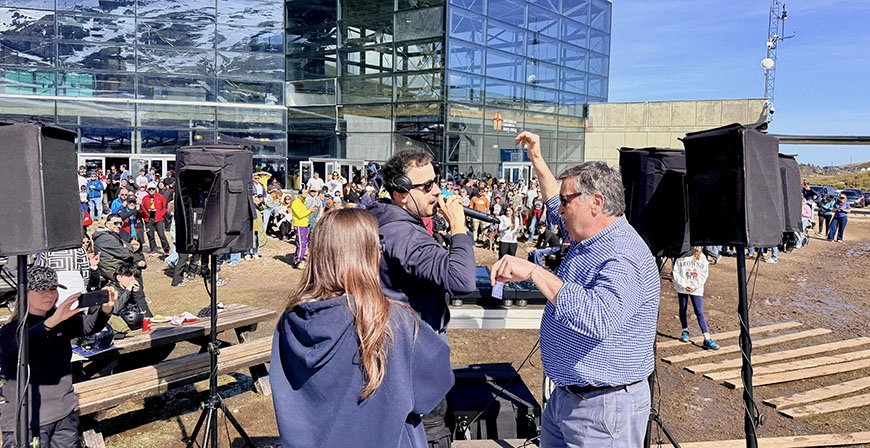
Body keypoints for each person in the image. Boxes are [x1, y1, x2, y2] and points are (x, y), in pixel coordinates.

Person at [490, 132, 659, 448]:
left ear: (596, 203)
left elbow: (598, 318)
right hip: (570, 398)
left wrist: (535, 272)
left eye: (569, 202)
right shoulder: (589, 234)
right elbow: (556, 200)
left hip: (603, 408)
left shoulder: (623, 254)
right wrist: (537, 159)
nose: (559, 211)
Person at [270, 208, 453, 448]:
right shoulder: (392, 321)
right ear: (367, 253)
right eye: (378, 243)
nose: (381, 251)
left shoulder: (290, 321)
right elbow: (434, 387)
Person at [367, 147, 476, 447]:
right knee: (431, 434)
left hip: (390, 361)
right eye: (426, 186)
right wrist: (459, 227)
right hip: (415, 369)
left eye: (436, 181)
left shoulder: (378, 220)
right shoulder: (405, 235)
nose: (436, 191)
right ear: (401, 193)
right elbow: (462, 281)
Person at [0, 266, 116, 447]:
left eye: (53, 289)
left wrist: (105, 310)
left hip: (64, 413)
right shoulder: (11, 329)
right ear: (25, 293)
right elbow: (17, 346)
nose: (49, 294)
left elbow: (88, 326)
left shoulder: (61, 319)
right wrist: (52, 321)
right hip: (29, 420)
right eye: (41, 289)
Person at [673, 247, 719, 350]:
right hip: (682, 287)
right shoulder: (680, 257)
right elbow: (675, 272)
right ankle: (685, 331)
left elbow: (704, 274)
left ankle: (707, 338)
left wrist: (694, 285)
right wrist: (684, 284)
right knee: (683, 308)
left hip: (696, 288)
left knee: (699, 311)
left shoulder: (701, 257)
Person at [141, 182, 171, 256]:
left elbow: (164, 208)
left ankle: (166, 249)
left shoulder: (160, 197)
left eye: (153, 189)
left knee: (161, 234)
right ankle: (153, 249)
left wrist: (161, 214)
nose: (151, 190)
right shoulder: (145, 198)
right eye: (150, 189)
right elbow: (142, 208)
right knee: (150, 235)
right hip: (148, 218)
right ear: (147, 190)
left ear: (155, 189)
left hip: (158, 218)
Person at [290, 190, 315, 268]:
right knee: (301, 244)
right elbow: (300, 215)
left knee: (303, 244)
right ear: (299, 195)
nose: (304, 198)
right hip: (299, 226)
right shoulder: (295, 203)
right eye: (303, 197)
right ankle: (297, 262)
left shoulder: (301, 203)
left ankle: (298, 259)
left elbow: (304, 214)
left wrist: (309, 212)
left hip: (304, 225)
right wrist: (309, 211)